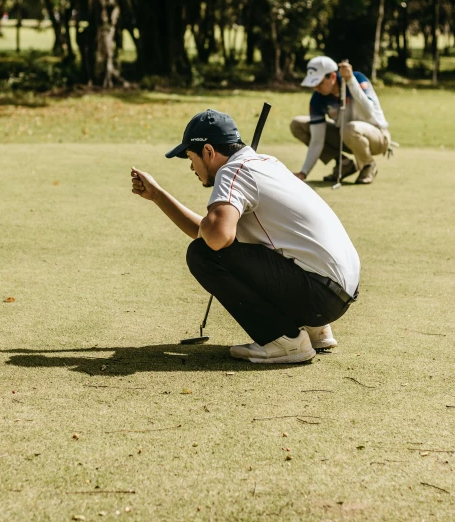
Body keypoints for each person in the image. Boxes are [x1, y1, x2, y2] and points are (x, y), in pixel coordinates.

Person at [131, 109, 360, 364]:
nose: (190, 166)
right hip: (337, 294)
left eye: (190, 156)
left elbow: (215, 239)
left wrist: (214, 218)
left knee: (202, 256)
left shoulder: (233, 171)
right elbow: (208, 232)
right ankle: (312, 329)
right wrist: (158, 196)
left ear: (208, 151)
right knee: (220, 246)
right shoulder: (268, 163)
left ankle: (285, 341)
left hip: (317, 295)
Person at [291, 56, 391, 185]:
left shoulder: (358, 79)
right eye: (313, 84)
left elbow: (368, 113)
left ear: (332, 77)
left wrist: (350, 81)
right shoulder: (318, 98)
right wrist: (303, 172)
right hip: (346, 136)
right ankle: (344, 164)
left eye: (319, 83)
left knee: (349, 128)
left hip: (378, 137)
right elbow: (317, 140)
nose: (316, 88)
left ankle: (368, 165)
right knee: (298, 124)